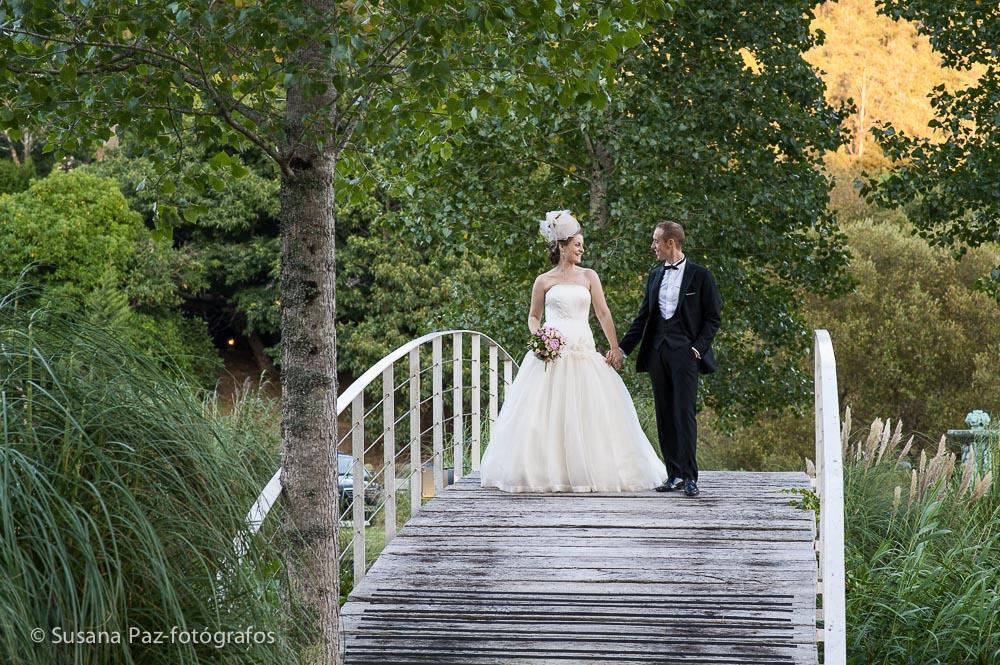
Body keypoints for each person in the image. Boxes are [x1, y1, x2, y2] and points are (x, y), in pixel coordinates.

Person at [479, 210, 668, 493]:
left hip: (582, 349)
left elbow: (603, 314)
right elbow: (533, 316)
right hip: (551, 353)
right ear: (563, 246)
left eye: (582, 245)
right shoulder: (543, 280)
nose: (582, 249)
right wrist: (540, 337)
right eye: (577, 244)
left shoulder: (589, 276)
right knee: (543, 416)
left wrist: (615, 348)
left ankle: (591, 470)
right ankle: (547, 471)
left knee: (591, 413)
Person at [608, 221, 721, 497]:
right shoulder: (654, 276)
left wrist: (698, 349)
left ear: (671, 243)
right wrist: (621, 350)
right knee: (664, 414)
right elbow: (643, 317)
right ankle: (673, 476)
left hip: (686, 353)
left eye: (656, 241)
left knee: (684, 414)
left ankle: (690, 477)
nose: (653, 246)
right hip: (658, 352)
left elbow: (712, 318)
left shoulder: (700, 276)